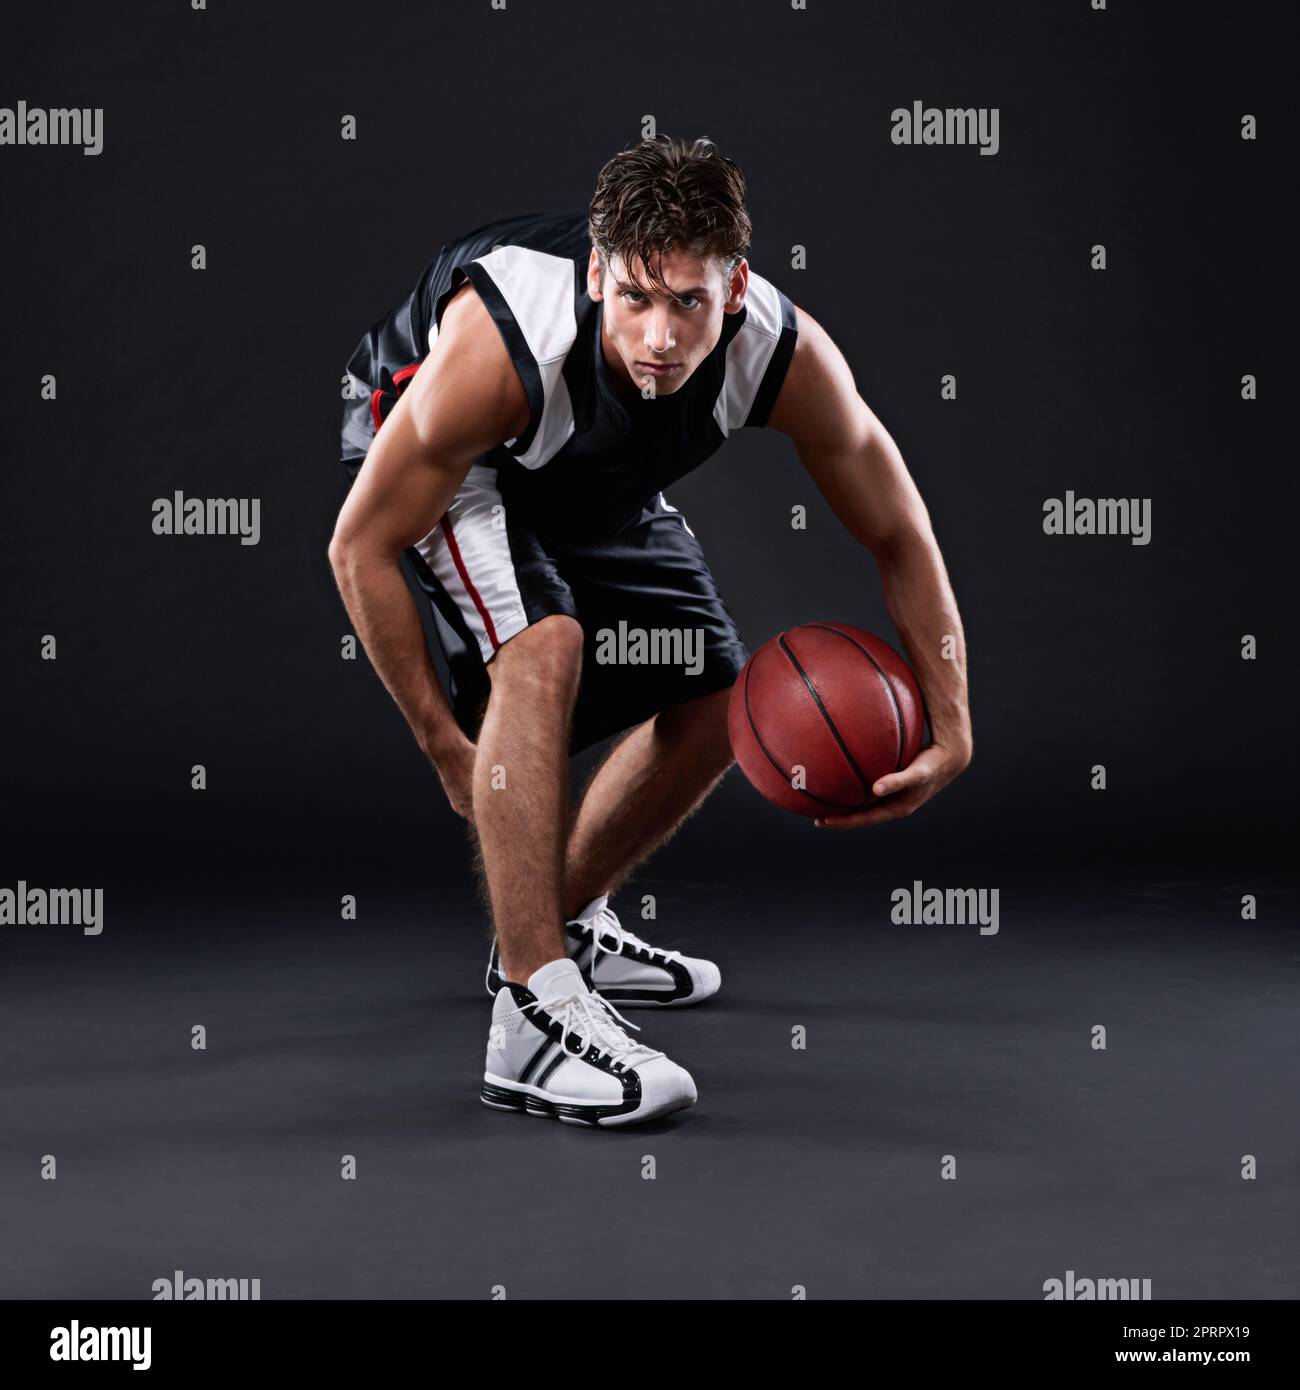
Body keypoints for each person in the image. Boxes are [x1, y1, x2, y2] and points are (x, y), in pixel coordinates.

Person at [329, 136, 972, 1128]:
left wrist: (953, 721)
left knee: (721, 694)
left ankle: (558, 924)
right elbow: (359, 546)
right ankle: (530, 1015)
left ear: (736, 288)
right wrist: (443, 743)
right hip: (466, 462)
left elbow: (898, 529)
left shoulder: (782, 352)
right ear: (595, 278)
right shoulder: (499, 347)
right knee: (543, 646)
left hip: (592, 472)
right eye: (634, 298)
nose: (662, 338)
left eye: (688, 304)